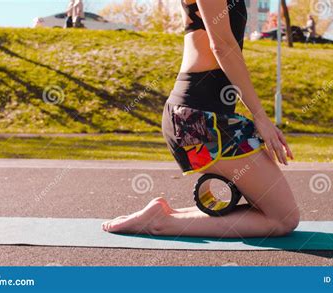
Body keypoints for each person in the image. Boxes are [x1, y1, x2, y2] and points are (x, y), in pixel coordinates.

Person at [102, 0, 300, 238]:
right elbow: (222, 45)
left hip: (208, 115)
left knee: (275, 211)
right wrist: (261, 118)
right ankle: (161, 224)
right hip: (197, 119)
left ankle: (163, 216)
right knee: (283, 218)